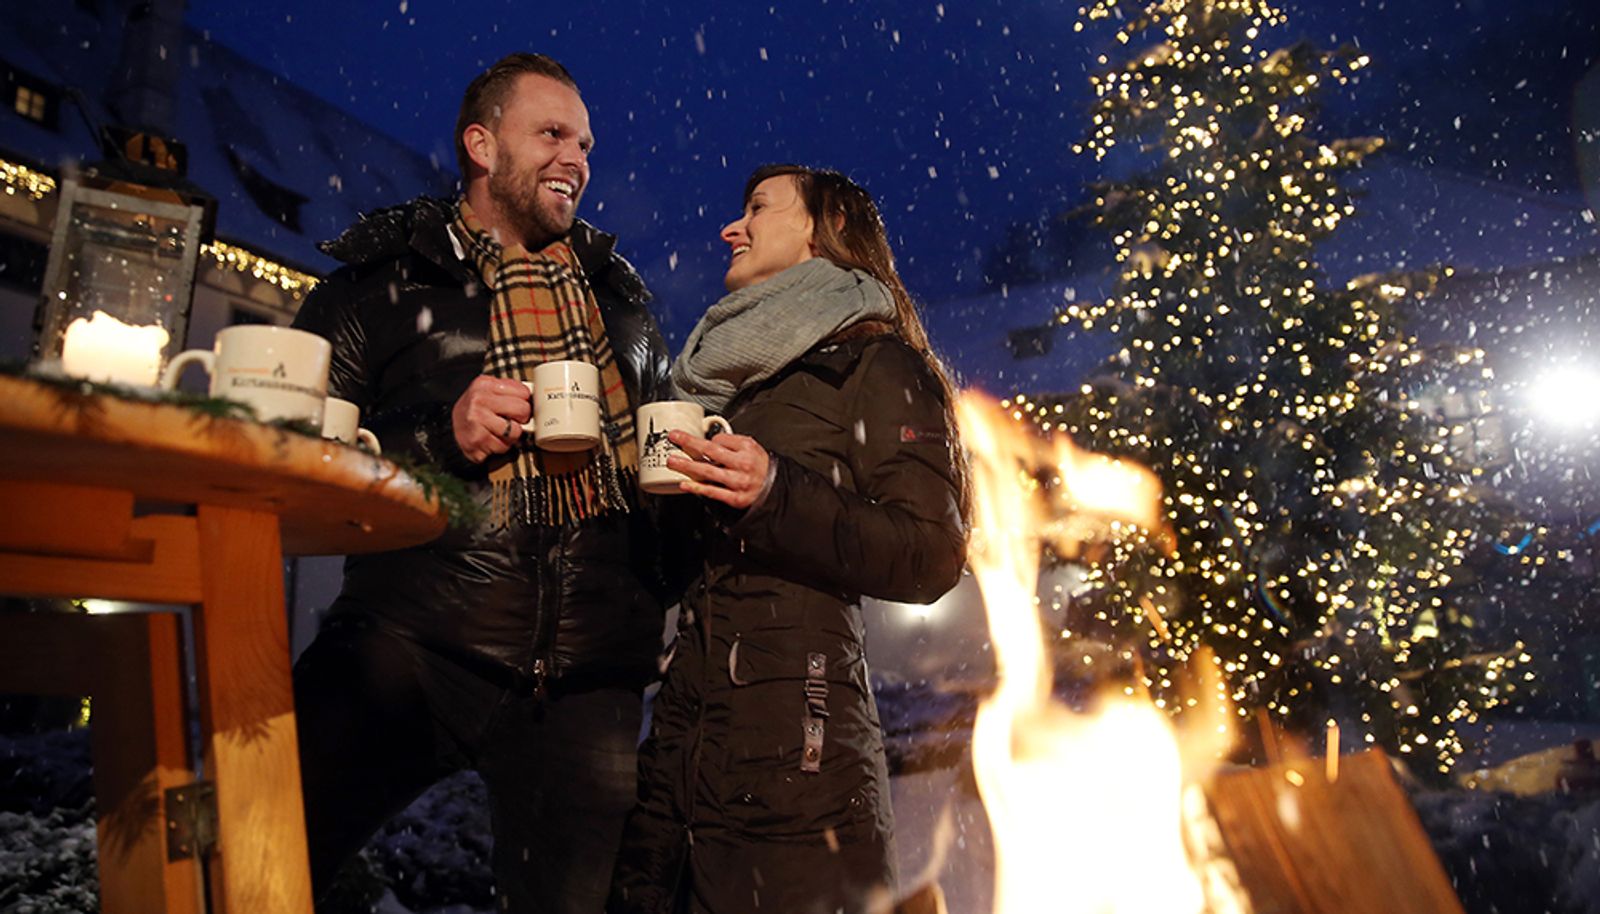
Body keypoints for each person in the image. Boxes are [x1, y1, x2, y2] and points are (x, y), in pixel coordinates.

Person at [290, 53, 673, 913]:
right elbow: (291, 450)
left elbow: (655, 472)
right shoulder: (381, 284)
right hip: (405, 644)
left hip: (589, 674)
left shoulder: (623, 304)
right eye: (551, 134)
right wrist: (439, 436)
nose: (576, 156)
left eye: (586, 142)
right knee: (257, 849)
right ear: (480, 143)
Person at [607, 165, 970, 914]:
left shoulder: (878, 365)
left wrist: (777, 492)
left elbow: (931, 552)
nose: (729, 228)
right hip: (683, 744)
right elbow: (689, 571)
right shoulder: (732, 386)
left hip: (801, 760)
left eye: (756, 209)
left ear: (819, 230)